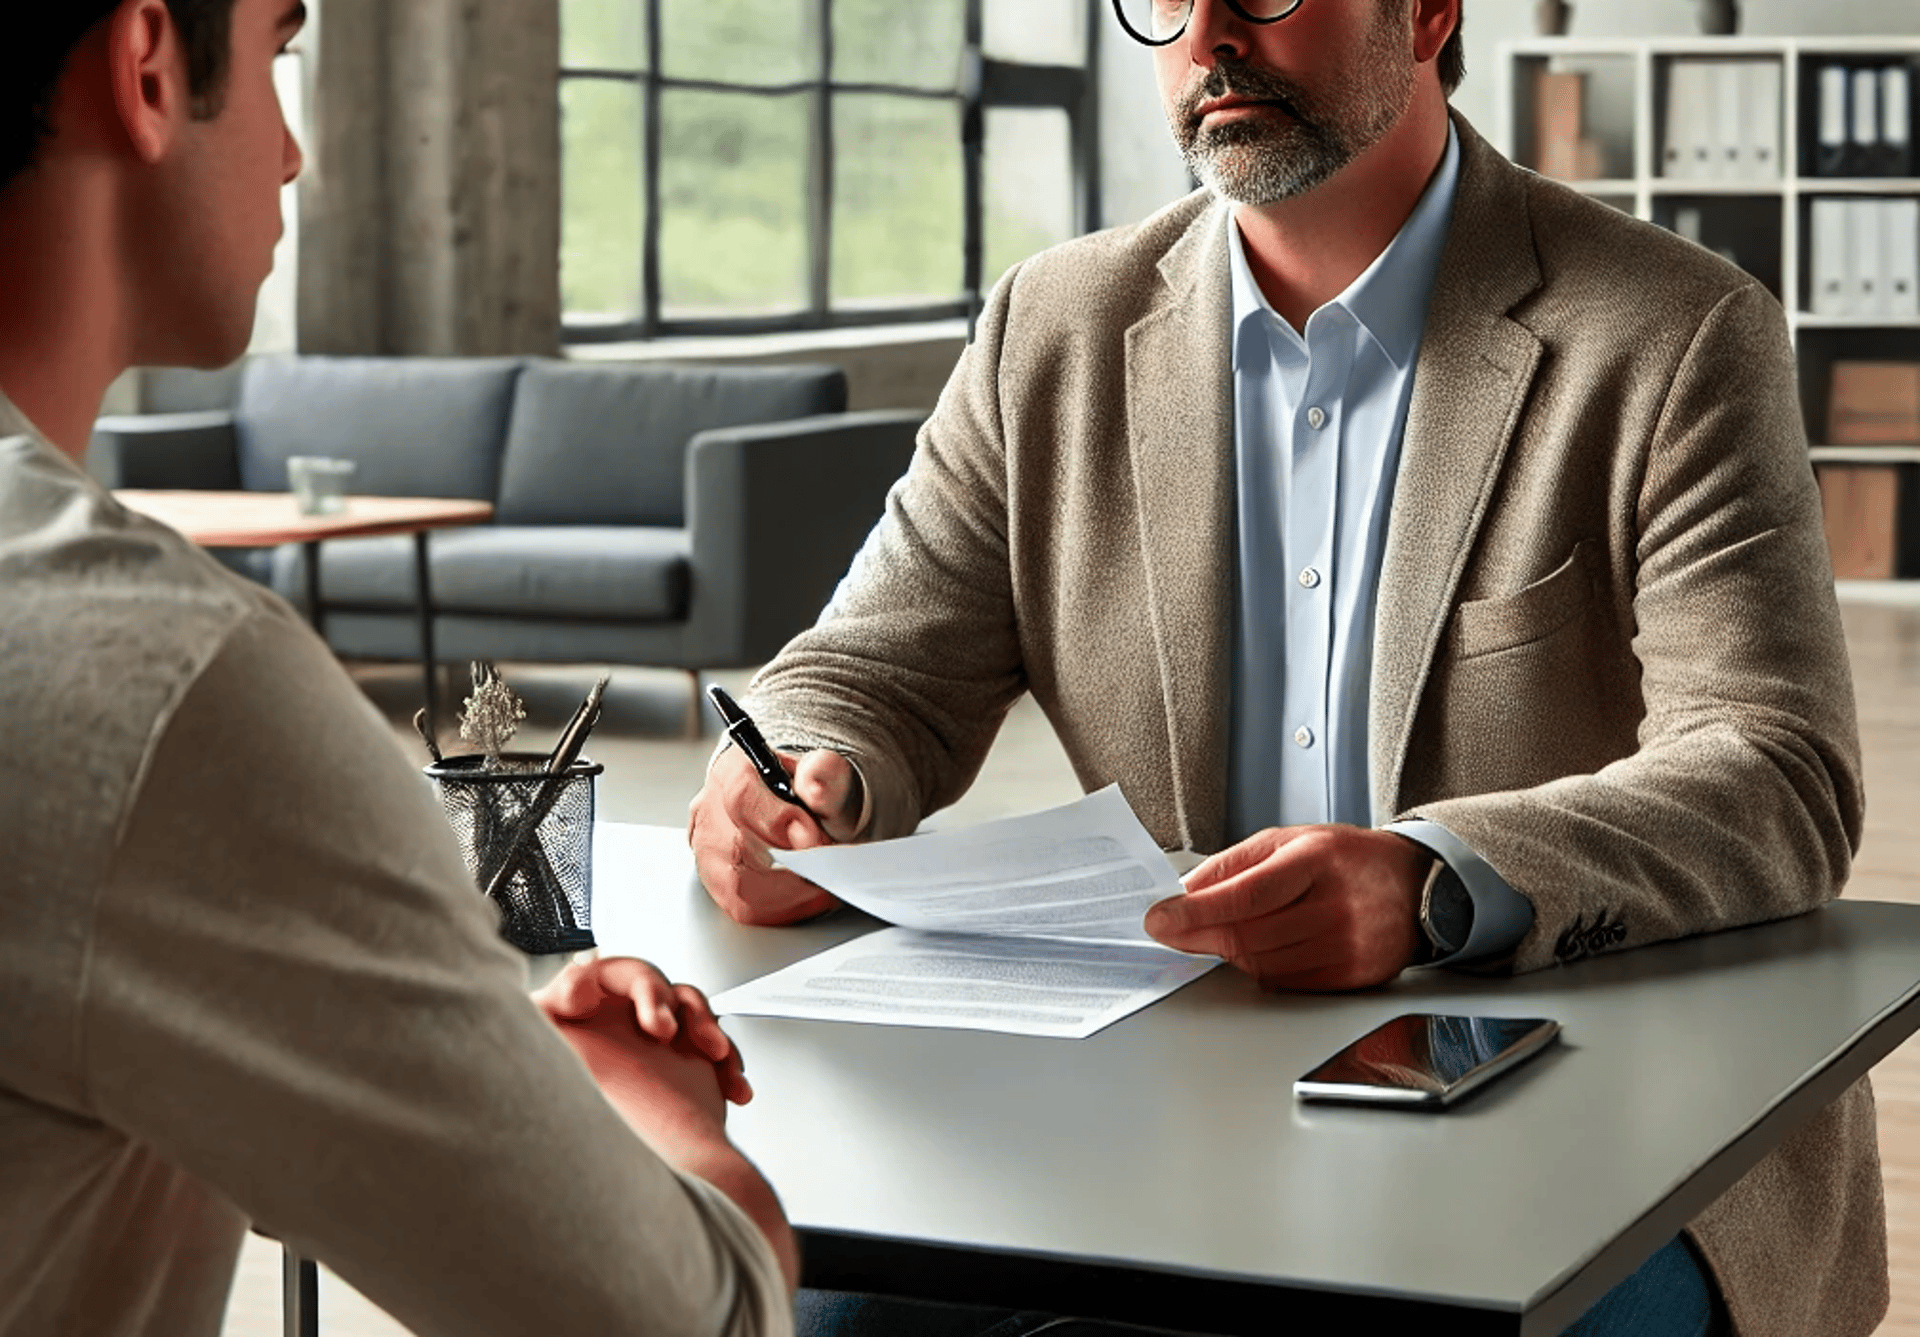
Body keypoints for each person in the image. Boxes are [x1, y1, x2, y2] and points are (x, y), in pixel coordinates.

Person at [688, 1, 1882, 1335]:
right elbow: (871, 668)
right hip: (1168, 1090)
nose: (1209, 36)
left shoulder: (1672, 331)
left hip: (1586, 1093)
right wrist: (809, 771)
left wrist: (1435, 879)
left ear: (1427, 13)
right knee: (823, 1308)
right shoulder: (1056, 325)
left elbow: (1775, 772)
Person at [0, 4, 797, 1334]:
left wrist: (449, 1069)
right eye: (276, 53)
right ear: (147, 68)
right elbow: (693, 1317)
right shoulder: (170, 695)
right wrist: (649, 1103)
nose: (298, 153)